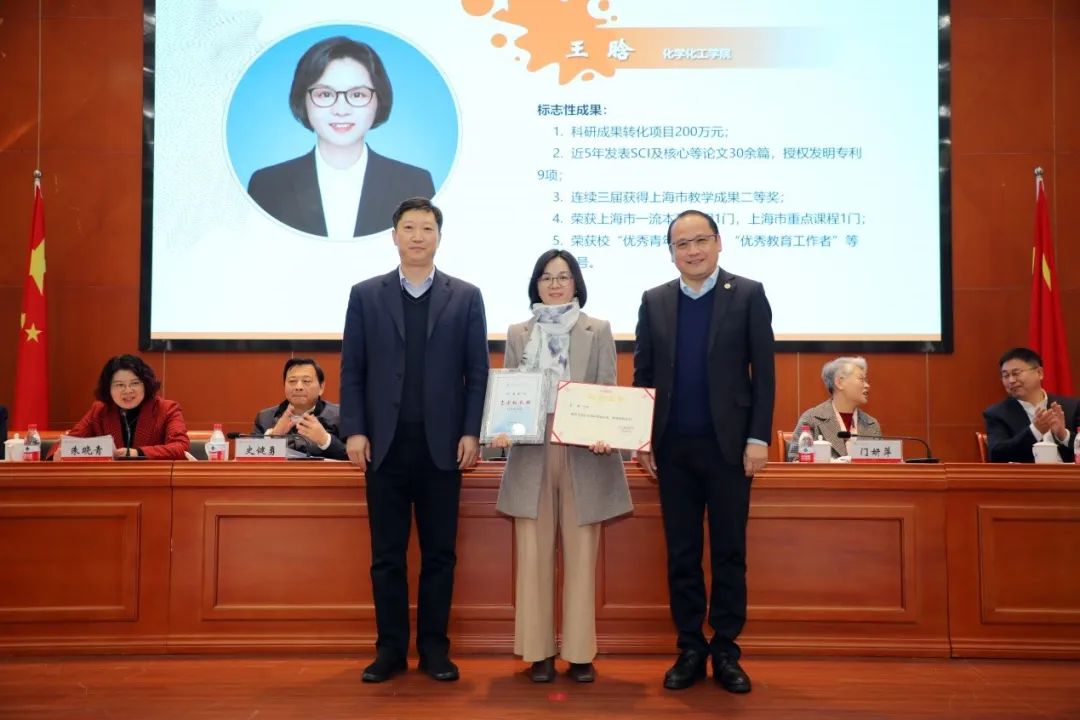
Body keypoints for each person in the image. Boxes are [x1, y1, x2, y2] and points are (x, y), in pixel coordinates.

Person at [340, 197, 488, 683]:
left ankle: (434, 650)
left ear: (439, 237)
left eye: (427, 228)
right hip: (383, 448)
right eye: (409, 227)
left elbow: (477, 373)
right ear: (394, 236)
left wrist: (471, 430)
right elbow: (353, 369)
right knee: (387, 557)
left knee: (440, 555)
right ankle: (389, 651)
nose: (418, 236)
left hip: (443, 449)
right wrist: (355, 429)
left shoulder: (465, 296)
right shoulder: (366, 295)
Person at [633, 209, 775, 694]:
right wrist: (643, 438)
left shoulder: (748, 294)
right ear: (671, 252)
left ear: (718, 242)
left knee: (730, 551)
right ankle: (691, 646)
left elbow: (764, 374)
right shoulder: (655, 301)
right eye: (682, 244)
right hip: (673, 449)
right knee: (683, 552)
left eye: (700, 240)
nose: (692, 251)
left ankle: (727, 650)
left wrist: (758, 438)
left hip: (730, 449)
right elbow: (644, 375)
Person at [491, 250, 632, 684]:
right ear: (535, 284)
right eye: (547, 277)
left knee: (581, 555)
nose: (555, 284)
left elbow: (607, 389)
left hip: (584, 450)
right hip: (531, 451)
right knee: (533, 555)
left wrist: (608, 430)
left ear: (576, 284)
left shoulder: (598, 329)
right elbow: (510, 392)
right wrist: (501, 428)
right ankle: (538, 652)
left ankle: (579, 652)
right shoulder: (519, 332)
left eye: (563, 276)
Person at [247, 36, 435, 238]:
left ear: (379, 100)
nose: (341, 110)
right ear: (303, 99)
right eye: (325, 94)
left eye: (357, 95)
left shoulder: (415, 184)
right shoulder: (267, 185)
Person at [48, 355, 189, 460]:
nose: (127, 391)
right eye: (119, 385)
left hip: (153, 481)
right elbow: (67, 442)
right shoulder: (99, 410)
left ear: (146, 384)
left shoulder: (167, 409)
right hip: (109, 482)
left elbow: (180, 446)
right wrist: (57, 455)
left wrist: (138, 452)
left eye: (134, 383)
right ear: (108, 388)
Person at [983, 347, 1079, 463]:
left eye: (1016, 373)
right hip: (1027, 474)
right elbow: (996, 455)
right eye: (1006, 375)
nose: (1011, 380)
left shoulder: (1072, 407)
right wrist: (1035, 431)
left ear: (1039, 373)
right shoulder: (996, 414)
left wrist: (1063, 435)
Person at [787, 356, 880, 461]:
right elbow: (795, 461)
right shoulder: (811, 419)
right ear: (839, 383)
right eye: (861, 379)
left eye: (866, 380)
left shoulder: (872, 425)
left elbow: (880, 464)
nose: (867, 385)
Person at [253, 358, 347, 460]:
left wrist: (325, 440)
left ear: (321, 387)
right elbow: (250, 458)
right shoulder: (265, 418)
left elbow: (355, 456)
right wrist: (273, 437)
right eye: (292, 381)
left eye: (306, 381)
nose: (298, 387)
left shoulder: (340, 416)